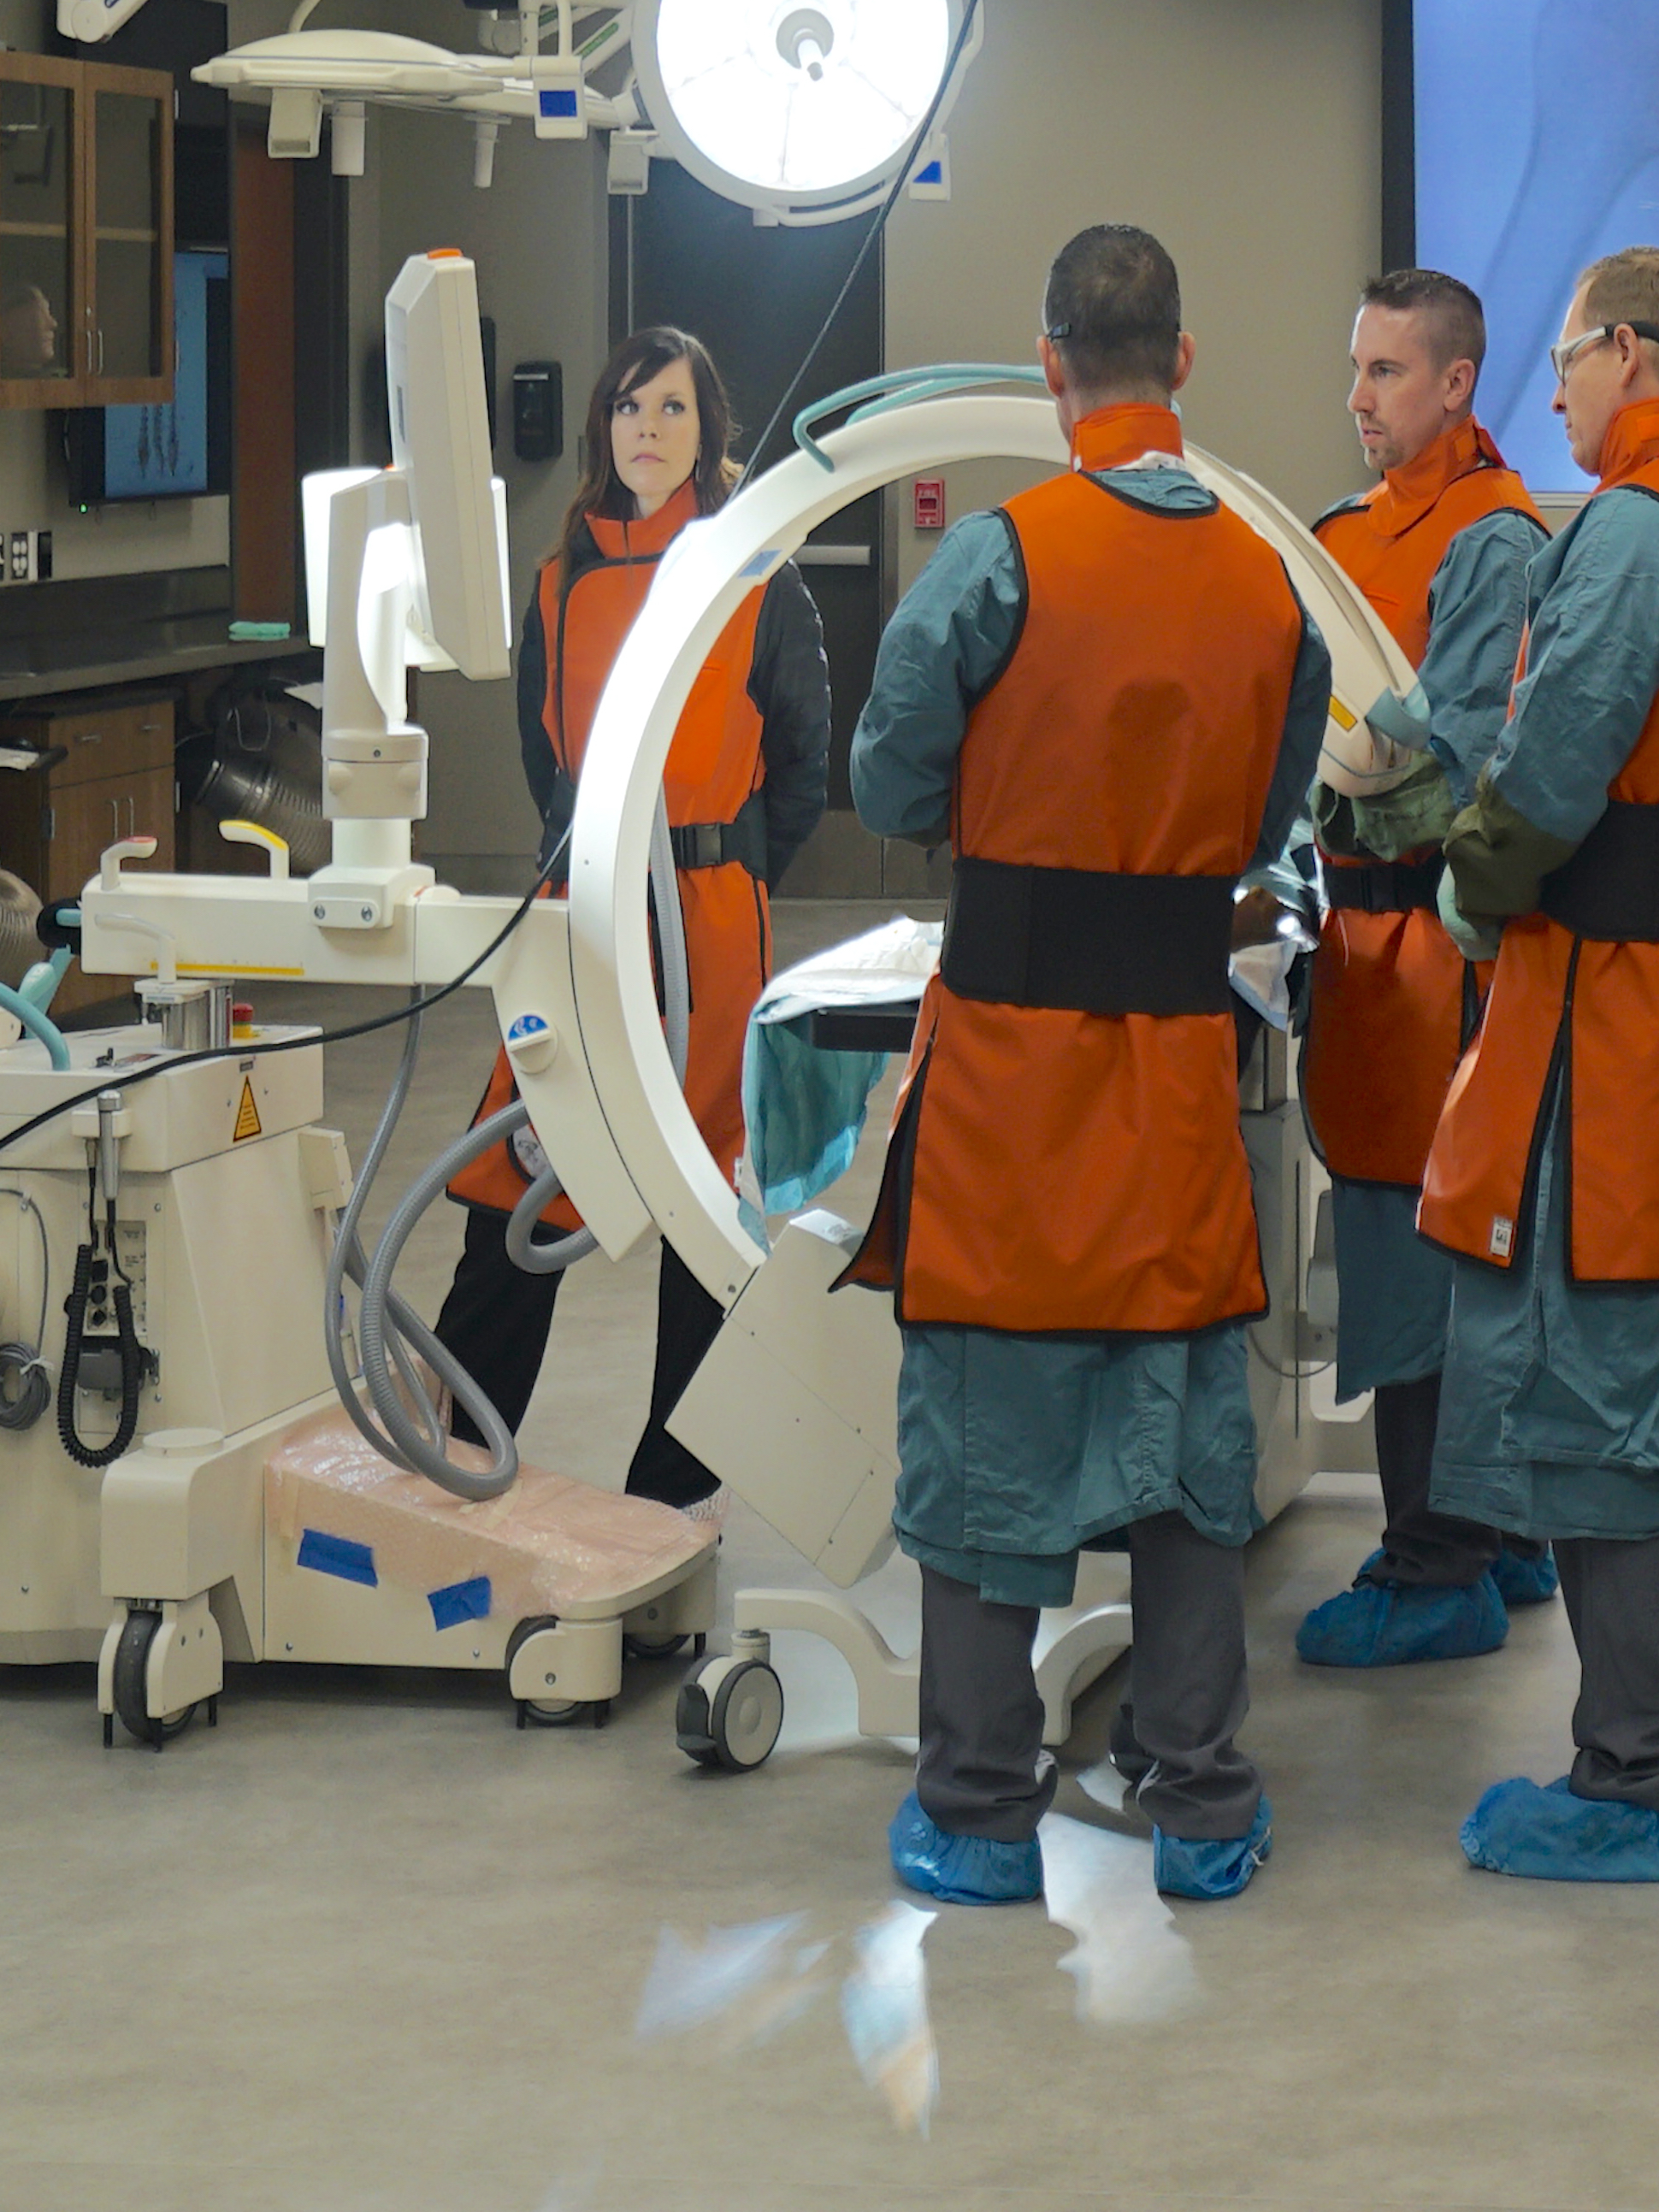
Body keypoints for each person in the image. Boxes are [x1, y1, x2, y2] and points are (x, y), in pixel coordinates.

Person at [845, 224, 1327, 1910]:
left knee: (987, 1420)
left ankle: (977, 1809)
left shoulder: (996, 560)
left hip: (1009, 1071)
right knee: (1184, 1433)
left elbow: (896, 784)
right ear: (1183, 362)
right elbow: (1270, 825)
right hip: (1179, 1058)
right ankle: (1200, 1801)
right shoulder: (1270, 583)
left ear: (1050, 365)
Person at [1426, 247, 1659, 1884]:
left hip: (1613, 1021)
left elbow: (1550, 767)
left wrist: (1465, 877)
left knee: (1608, 1392)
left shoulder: (1639, 530)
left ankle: (1630, 1775)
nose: (1554, 388)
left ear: (1628, 350)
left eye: (1565, 358)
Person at [428, 326, 825, 1507]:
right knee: (518, 1169)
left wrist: (726, 874)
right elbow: (545, 765)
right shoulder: (559, 581)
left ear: (709, 436)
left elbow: (803, 767)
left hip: (708, 922)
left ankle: (671, 1497)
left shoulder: (758, 574)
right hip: (580, 926)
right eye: (629, 408)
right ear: (603, 429)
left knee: (704, 1195)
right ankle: (451, 1458)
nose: (646, 430)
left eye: (673, 411)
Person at [1295, 268, 1559, 1670]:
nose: (1359, 400)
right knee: (1418, 1246)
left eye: (1388, 374)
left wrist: (1359, 768)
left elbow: (1441, 760)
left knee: (1422, 1262)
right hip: (1355, 938)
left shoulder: (1497, 540)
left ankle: (1438, 1557)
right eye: (1356, 371)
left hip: (1435, 955)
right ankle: (1498, 1530)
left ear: (1457, 383)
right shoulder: (1341, 537)